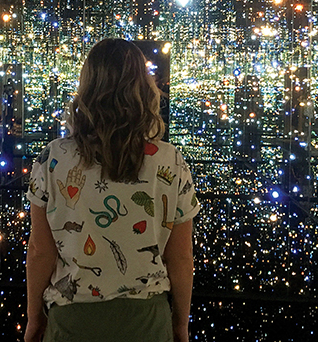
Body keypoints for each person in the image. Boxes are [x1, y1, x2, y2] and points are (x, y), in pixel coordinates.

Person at [25, 39, 200, 342]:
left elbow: (41, 252)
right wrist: (179, 324)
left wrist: (34, 317)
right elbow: (181, 257)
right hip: (147, 321)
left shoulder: (53, 157)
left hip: (71, 321)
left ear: (87, 87)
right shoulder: (169, 160)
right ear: (144, 88)